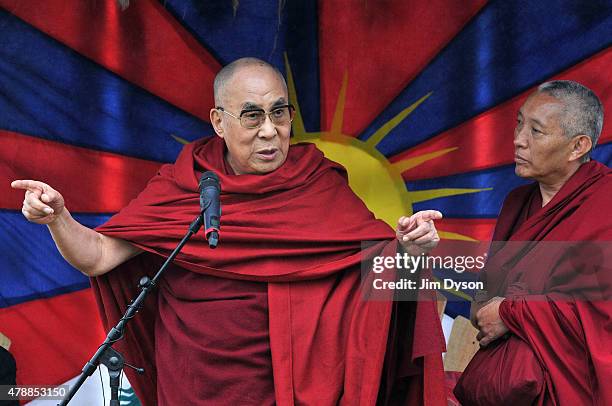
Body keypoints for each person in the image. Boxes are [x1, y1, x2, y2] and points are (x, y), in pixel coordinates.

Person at [12, 58, 446, 405]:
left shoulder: (317, 182)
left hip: (294, 386)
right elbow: (99, 256)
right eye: (252, 116)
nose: (270, 131)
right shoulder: (186, 185)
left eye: (280, 112)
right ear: (219, 122)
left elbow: (371, 272)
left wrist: (406, 250)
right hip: (196, 385)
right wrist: (59, 219)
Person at [455, 80, 612, 405]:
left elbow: (603, 314)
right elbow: (486, 297)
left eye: (536, 132)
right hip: (504, 385)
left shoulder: (605, 202)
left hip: (569, 388)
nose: (518, 141)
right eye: (519, 124)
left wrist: (511, 313)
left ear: (577, 146)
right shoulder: (517, 202)